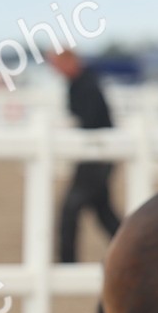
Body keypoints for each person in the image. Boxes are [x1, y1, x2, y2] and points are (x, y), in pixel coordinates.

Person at [48, 49, 122, 262]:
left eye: (56, 63)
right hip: (95, 154)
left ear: (69, 61)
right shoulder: (81, 83)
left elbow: (90, 122)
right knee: (103, 213)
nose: (54, 69)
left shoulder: (85, 85)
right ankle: (133, 250)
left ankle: (67, 262)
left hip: (96, 155)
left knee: (71, 209)